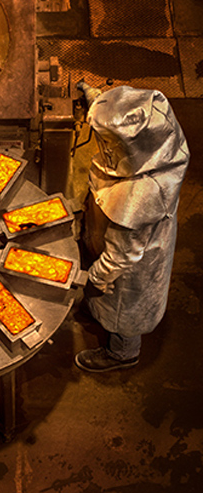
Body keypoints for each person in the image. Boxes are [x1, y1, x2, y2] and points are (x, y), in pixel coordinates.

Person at [74, 83, 190, 372]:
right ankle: (96, 310)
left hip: (132, 264)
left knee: (124, 310)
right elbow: (119, 110)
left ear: (129, 147)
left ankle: (123, 353)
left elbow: (120, 257)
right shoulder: (160, 141)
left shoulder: (140, 197)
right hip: (119, 240)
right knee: (103, 295)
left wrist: (95, 279)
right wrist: (92, 96)